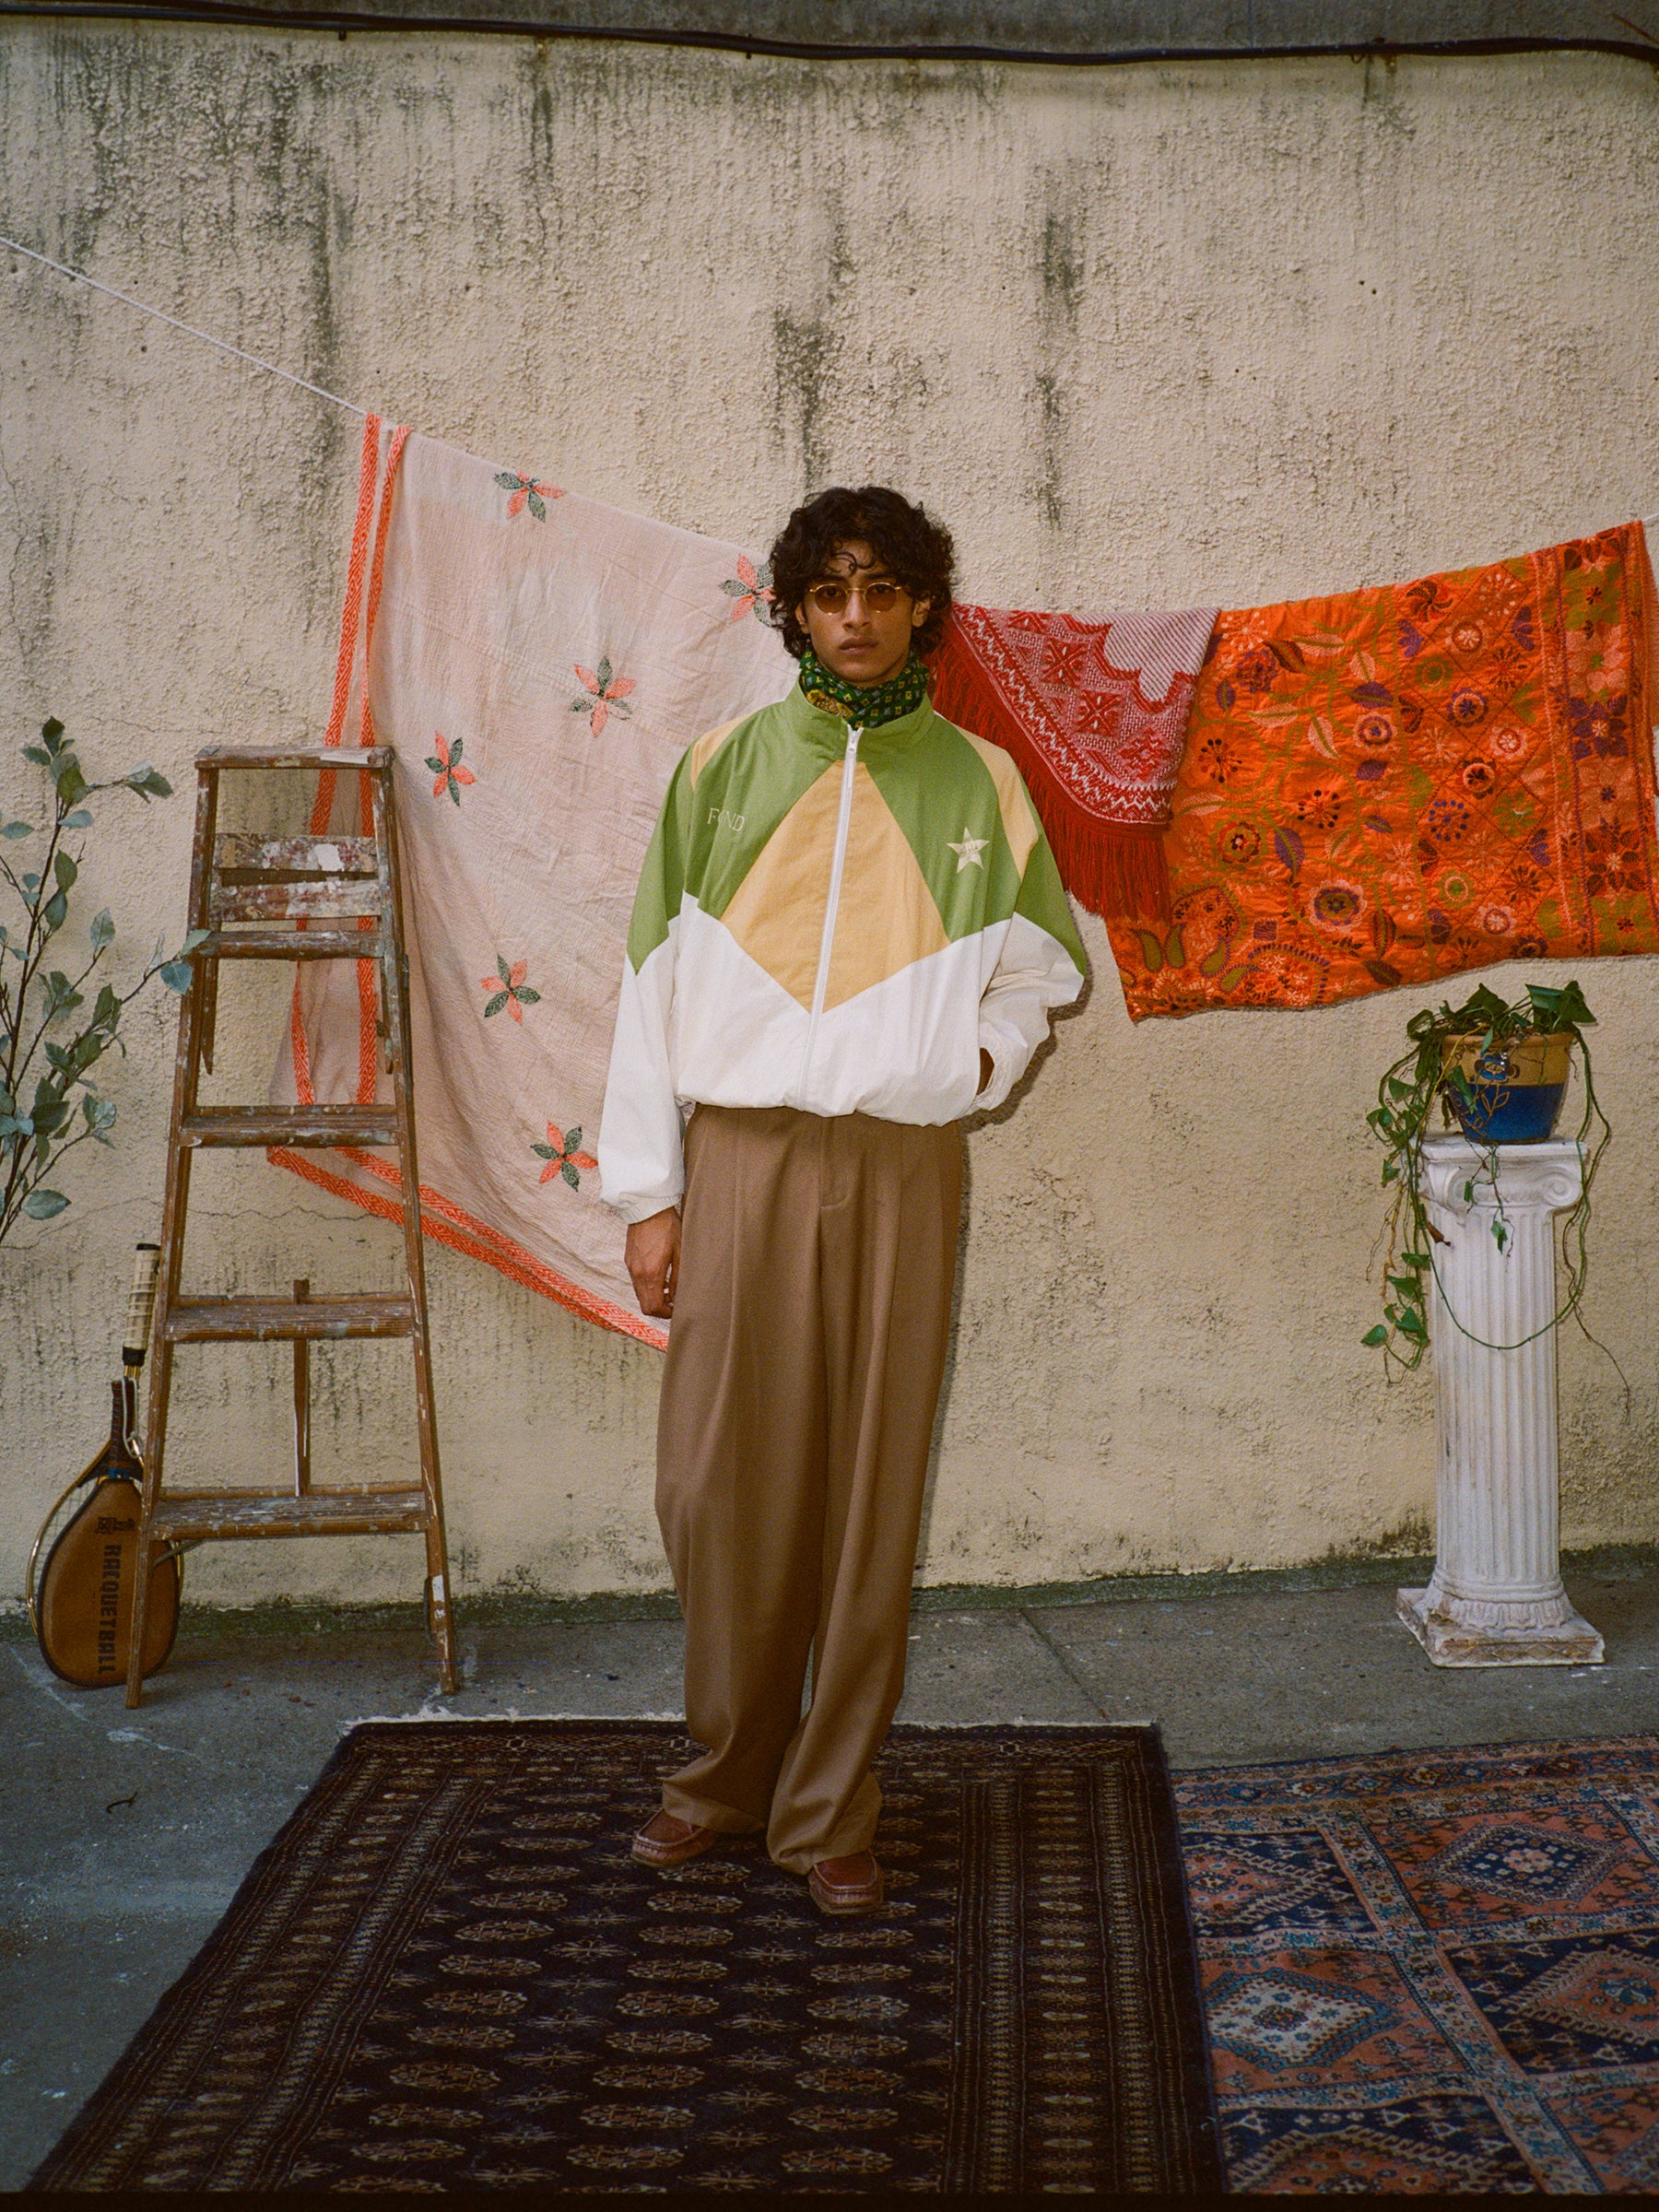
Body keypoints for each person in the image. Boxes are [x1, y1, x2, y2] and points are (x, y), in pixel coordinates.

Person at [596, 486, 1085, 1916]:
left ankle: (829, 1808)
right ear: (795, 610)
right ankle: (724, 1779)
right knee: (716, 1488)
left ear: (923, 602)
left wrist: (967, 1063)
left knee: (870, 1490)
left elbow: (1043, 971)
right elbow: (647, 993)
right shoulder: (720, 772)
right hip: (739, 1156)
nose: (857, 617)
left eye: (881, 590)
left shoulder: (982, 783)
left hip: (899, 1164)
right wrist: (651, 1192)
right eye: (830, 594)